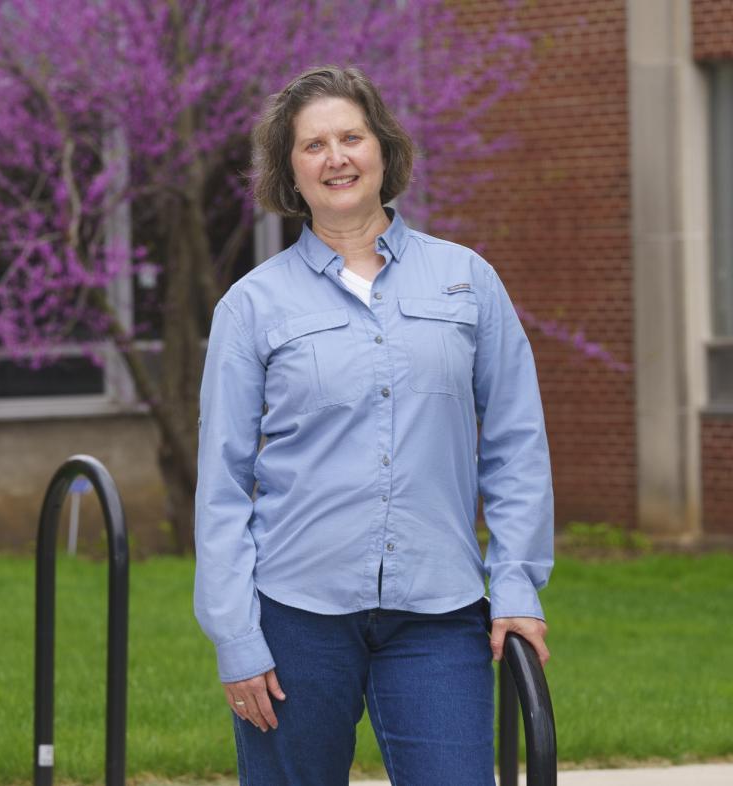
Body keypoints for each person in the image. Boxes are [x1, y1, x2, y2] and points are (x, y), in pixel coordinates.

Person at [193, 65, 554, 785]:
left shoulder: (467, 281)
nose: (336, 158)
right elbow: (224, 483)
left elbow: (516, 444)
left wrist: (515, 585)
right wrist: (236, 635)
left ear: (382, 148)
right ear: (290, 171)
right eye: (313, 145)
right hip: (294, 615)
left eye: (351, 137)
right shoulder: (252, 306)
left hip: (437, 613)